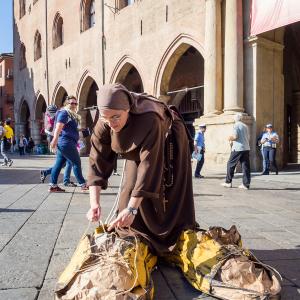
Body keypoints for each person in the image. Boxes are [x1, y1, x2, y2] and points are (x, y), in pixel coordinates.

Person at [86, 83, 196, 256]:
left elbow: (149, 166)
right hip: (138, 143)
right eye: (106, 118)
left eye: (116, 117)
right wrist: (94, 203)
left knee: (165, 185)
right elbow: (96, 161)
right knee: (129, 188)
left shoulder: (149, 118)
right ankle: (135, 232)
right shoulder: (104, 122)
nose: (111, 123)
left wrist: (132, 209)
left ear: (128, 109)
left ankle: (169, 235)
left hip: (170, 137)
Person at [49, 96, 88, 192]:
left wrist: (79, 129)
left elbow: (67, 127)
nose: (74, 105)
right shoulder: (64, 113)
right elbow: (58, 127)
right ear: (66, 104)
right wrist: (54, 140)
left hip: (66, 142)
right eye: (72, 103)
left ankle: (53, 186)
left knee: (58, 164)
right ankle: (83, 184)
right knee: (76, 162)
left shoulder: (71, 115)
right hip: (66, 142)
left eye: (75, 103)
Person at [221, 113, 251, 190]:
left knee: (230, 164)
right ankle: (246, 184)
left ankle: (228, 182)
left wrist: (229, 138)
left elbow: (235, 136)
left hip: (238, 148)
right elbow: (248, 137)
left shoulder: (236, 125)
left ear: (235, 119)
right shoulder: (245, 126)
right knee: (245, 166)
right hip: (246, 147)